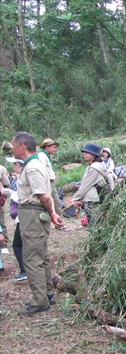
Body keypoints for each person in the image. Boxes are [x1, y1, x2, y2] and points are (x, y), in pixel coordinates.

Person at [11, 131, 63, 316]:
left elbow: (44, 195)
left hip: (32, 215)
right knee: (41, 255)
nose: (13, 148)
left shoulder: (32, 167)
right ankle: (47, 293)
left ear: (22, 146)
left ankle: (39, 300)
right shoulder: (34, 164)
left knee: (32, 258)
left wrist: (52, 211)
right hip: (34, 214)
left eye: (14, 145)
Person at [70, 143, 115, 224]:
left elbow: (86, 185)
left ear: (94, 155)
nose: (84, 154)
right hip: (95, 197)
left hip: (92, 199)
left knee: (94, 223)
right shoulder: (96, 166)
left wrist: (76, 199)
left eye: (87, 153)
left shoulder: (94, 168)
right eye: (84, 152)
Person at [3, 157, 27, 281]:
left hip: (24, 216)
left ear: (19, 164)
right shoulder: (23, 176)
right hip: (25, 217)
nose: (14, 167)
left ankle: (25, 271)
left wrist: (11, 193)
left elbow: (23, 198)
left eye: (15, 164)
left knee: (17, 245)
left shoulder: (24, 177)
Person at [39, 138, 66, 230]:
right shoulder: (42, 156)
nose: (55, 149)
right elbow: (42, 170)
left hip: (50, 182)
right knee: (50, 203)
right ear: (47, 147)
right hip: (47, 182)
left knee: (57, 202)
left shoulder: (46, 156)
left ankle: (58, 223)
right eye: (53, 147)